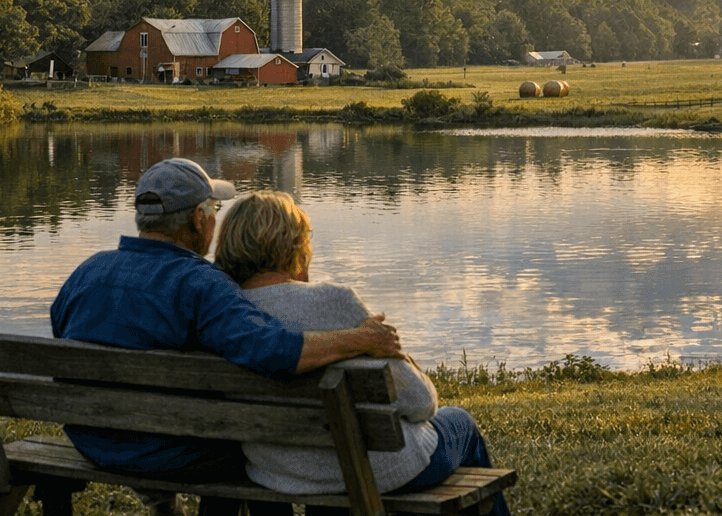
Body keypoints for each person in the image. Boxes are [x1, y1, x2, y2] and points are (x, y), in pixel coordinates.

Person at [50, 158, 401, 512]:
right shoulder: (202, 284)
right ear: (198, 218)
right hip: (174, 452)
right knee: (257, 448)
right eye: (214, 209)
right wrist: (360, 338)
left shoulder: (86, 272)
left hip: (92, 442)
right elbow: (274, 352)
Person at [213, 190, 510, 516]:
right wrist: (406, 361)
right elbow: (420, 403)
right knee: (461, 423)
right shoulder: (332, 302)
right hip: (373, 471)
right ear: (295, 245)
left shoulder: (225, 314)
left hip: (276, 471)